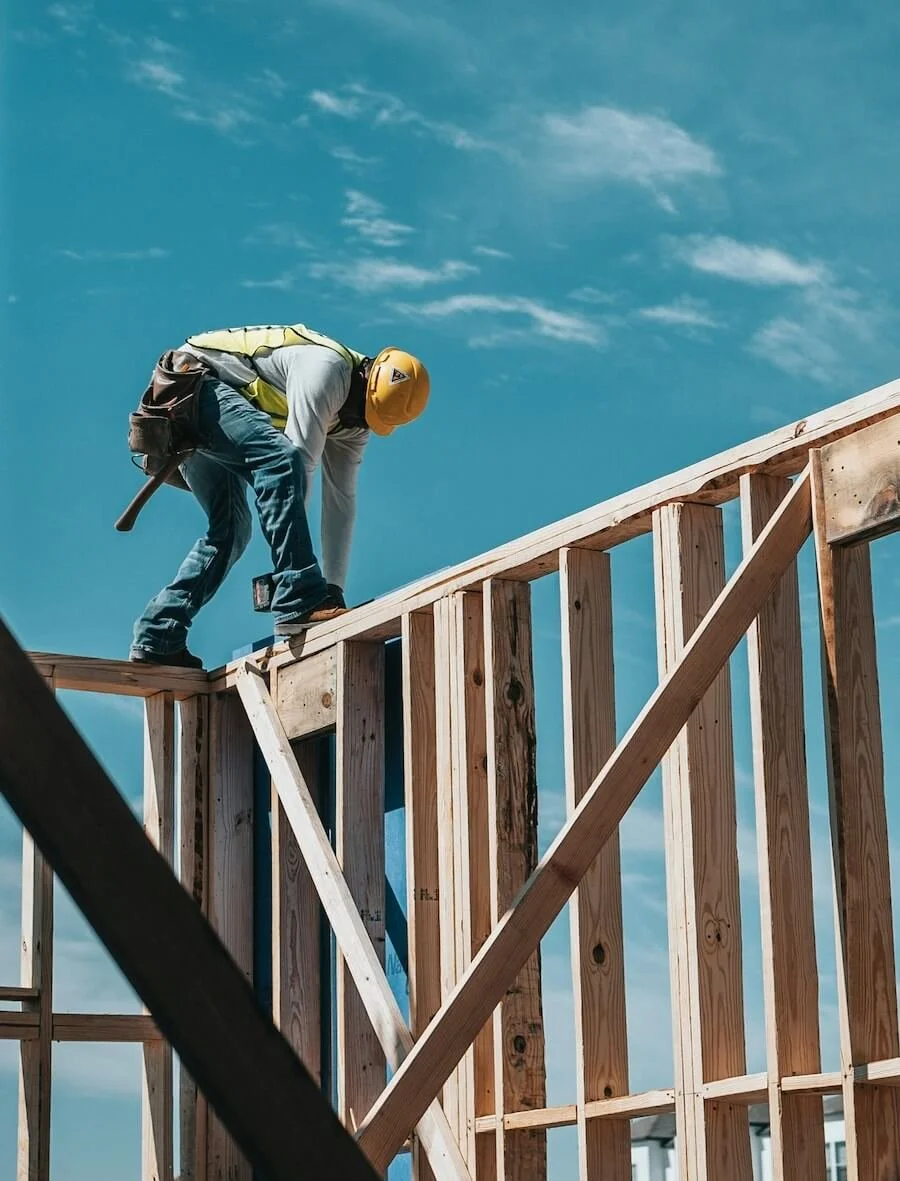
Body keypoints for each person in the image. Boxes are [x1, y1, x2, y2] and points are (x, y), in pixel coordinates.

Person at [129, 322, 430, 669]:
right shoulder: (327, 371)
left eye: (366, 420)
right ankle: (298, 594)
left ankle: (159, 634)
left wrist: (333, 590)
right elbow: (295, 465)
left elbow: (340, 504)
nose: (354, 423)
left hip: (210, 407)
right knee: (280, 458)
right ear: (365, 377)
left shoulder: (353, 422)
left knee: (230, 531)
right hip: (190, 385)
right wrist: (300, 587)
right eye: (358, 412)